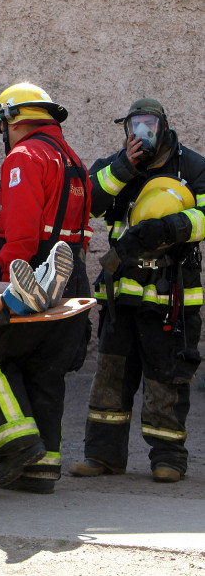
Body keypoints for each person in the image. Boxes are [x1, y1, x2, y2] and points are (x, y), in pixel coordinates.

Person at [0, 83, 90, 495]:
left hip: (30, 269)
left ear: (14, 119)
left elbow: (23, 235)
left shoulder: (24, 157)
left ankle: (16, 445)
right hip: (72, 271)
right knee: (45, 367)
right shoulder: (71, 158)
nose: (3, 134)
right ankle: (43, 468)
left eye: (3, 125)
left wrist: (7, 277)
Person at [70, 99, 205, 483]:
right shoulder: (116, 166)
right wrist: (124, 168)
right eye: (134, 125)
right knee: (111, 375)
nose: (141, 133)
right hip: (123, 294)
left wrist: (172, 227)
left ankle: (168, 458)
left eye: (149, 125)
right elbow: (88, 204)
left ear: (163, 127)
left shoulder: (191, 166)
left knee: (167, 377)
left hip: (171, 296)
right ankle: (102, 456)